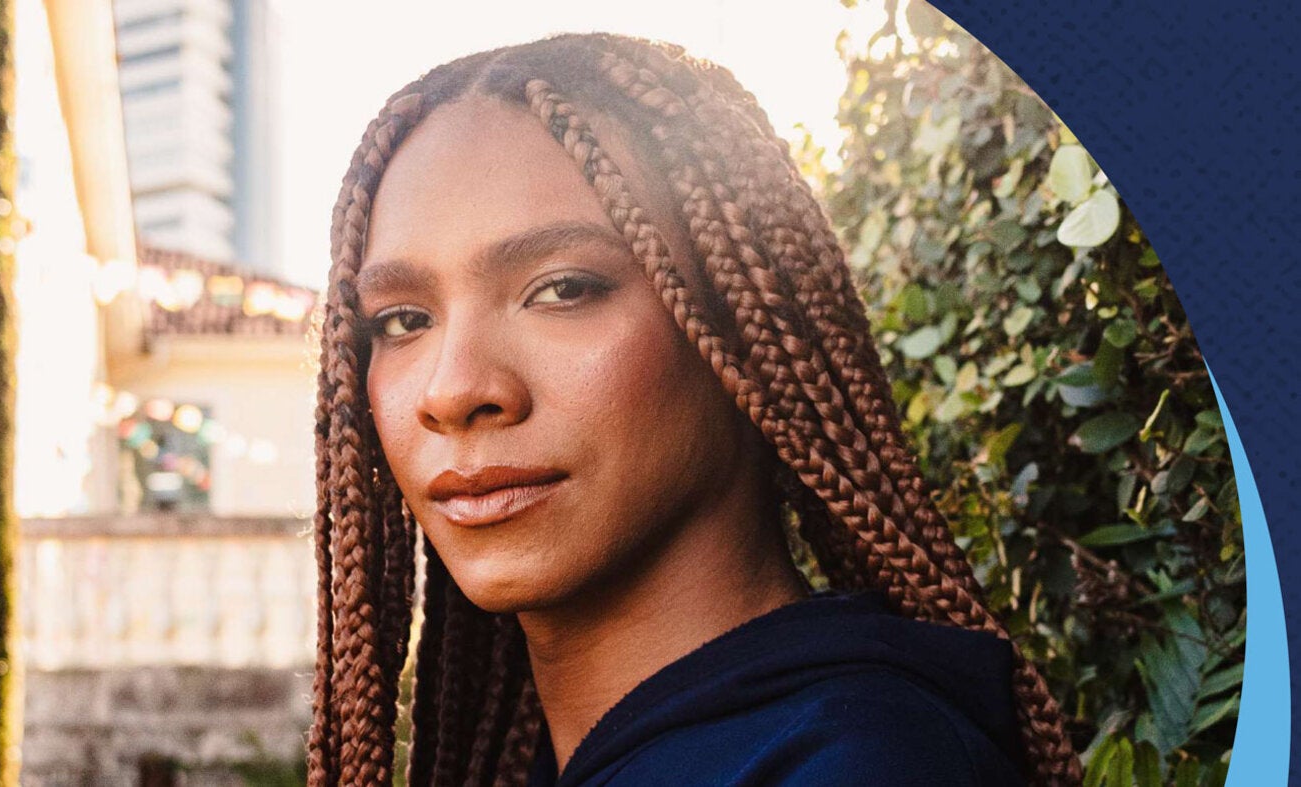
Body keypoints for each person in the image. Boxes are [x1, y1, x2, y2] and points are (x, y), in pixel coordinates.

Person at [307, 33, 1081, 786]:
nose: (453, 390)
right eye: (403, 321)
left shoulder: (864, 765)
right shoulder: (561, 753)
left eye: (564, 289)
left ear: (742, 328)